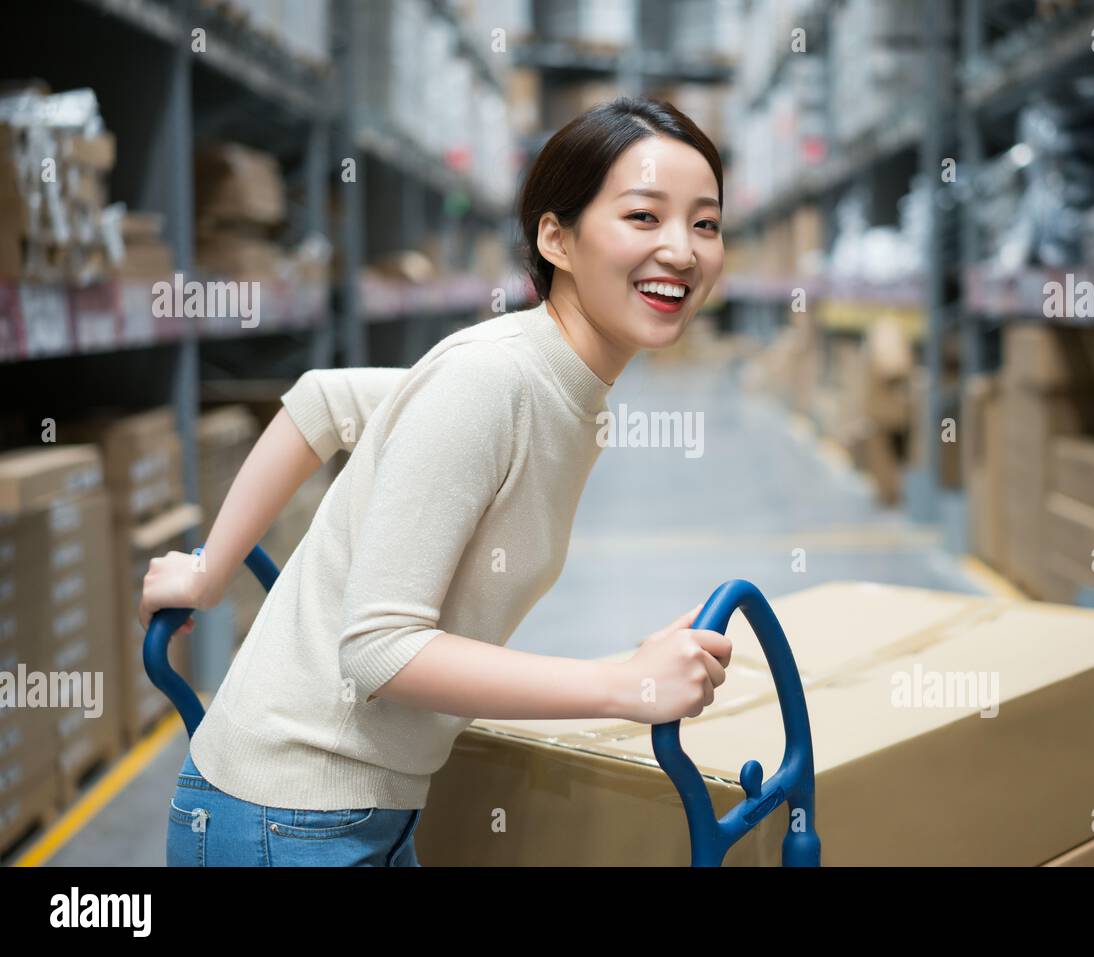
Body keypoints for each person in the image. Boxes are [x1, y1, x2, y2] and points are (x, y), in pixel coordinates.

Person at [139, 97, 730, 866]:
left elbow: (325, 400)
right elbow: (381, 649)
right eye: (644, 217)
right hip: (289, 815)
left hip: (355, 810)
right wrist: (625, 684)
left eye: (706, 224)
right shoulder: (490, 379)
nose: (682, 251)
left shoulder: (564, 385)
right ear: (556, 237)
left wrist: (213, 569)